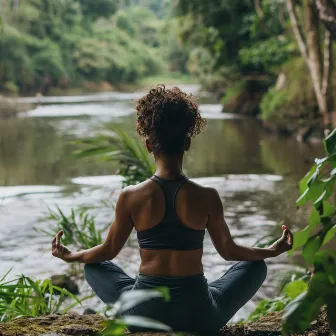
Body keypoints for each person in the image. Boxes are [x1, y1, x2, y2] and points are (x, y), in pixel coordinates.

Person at [52, 85, 293, 335]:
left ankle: (147, 294)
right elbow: (230, 252)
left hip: (143, 315)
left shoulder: (130, 196)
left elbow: (108, 251)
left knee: (93, 265)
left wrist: (72, 255)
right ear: (187, 143)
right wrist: (272, 250)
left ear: (148, 146)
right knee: (256, 266)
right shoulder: (207, 196)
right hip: (199, 317)